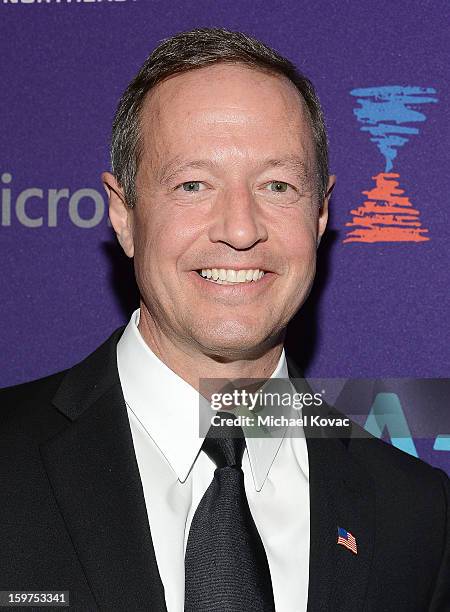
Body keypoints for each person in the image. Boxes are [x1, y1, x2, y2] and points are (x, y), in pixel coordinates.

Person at [0, 28, 448, 612]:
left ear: (320, 214)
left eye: (277, 185)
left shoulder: (417, 516)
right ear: (124, 214)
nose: (240, 229)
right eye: (193, 184)